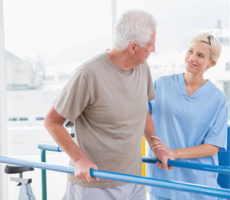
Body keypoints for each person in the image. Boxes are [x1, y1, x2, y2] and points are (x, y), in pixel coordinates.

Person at [44, 10, 170, 200]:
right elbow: (52, 122)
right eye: (151, 45)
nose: (153, 49)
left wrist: (155, 144)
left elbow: (142, 110)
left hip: (133, 180)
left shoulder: (142, 67)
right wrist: (79, 159)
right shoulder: (89, 74)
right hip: (95, 183)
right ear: (133, 47)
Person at [147, 32, 228, 200]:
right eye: (190, 51)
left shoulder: (217, 99)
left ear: (211, 63)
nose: (192, 58)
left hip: (198, 183)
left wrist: (174, 154)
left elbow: (213, 146)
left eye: (200, 55)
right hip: (163, 180)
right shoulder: (161, 84)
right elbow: (140, 117)